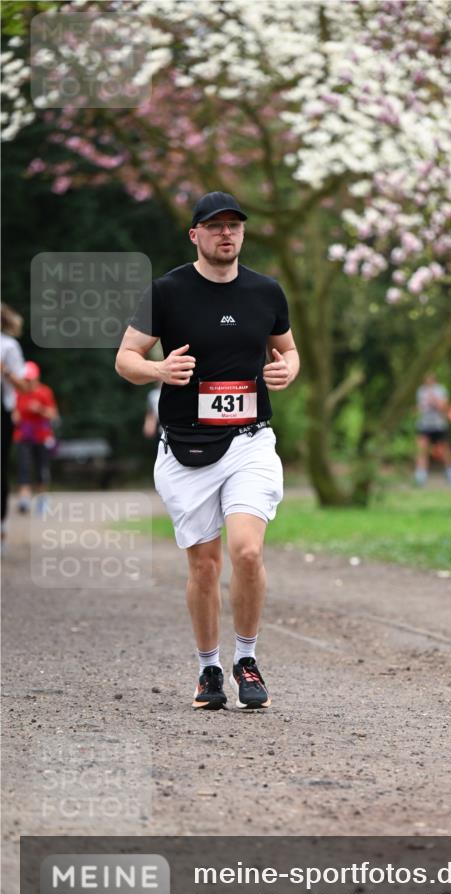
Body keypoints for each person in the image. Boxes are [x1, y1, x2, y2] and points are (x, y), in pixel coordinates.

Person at [115, 191, 299, 712]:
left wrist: (289, 368)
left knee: (247, 550)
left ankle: (246, 658)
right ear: (194, 235)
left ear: (242, 234)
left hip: (249, 440)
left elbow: (286, 349)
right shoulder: (167, 291)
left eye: (234, 226)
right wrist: (158, 370)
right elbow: (126, 357)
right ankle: (208, 670)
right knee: (204, 566)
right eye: (214, 226)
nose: (226, 234)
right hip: (186, 447)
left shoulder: (267, 292)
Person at [13, 360, 59, 516]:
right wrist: (15, 416)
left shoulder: (44, 392)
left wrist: (39, 409)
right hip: (24, 436)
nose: (27, 382)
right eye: (25, 379)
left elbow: (53, 415)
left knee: (41, 470)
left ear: (37, 377)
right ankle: (24, 501)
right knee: (24, 468)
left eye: (30, 379)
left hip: (42, 437)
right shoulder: (18, 393)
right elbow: (15, 413)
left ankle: (41, 501)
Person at [1, 302, 27, 550]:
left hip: (3, 412)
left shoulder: (8, 345)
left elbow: (25, 386)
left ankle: (1, 526)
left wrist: (5, 372)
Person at [414, 373, 451, 485]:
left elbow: (445, 408)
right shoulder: (420, 391)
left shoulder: (441, 390)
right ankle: (420, 475)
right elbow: (419, 408)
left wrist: (435, 401)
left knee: (444, 450)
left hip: (439, 425)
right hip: (424, 425)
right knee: (421, 449)